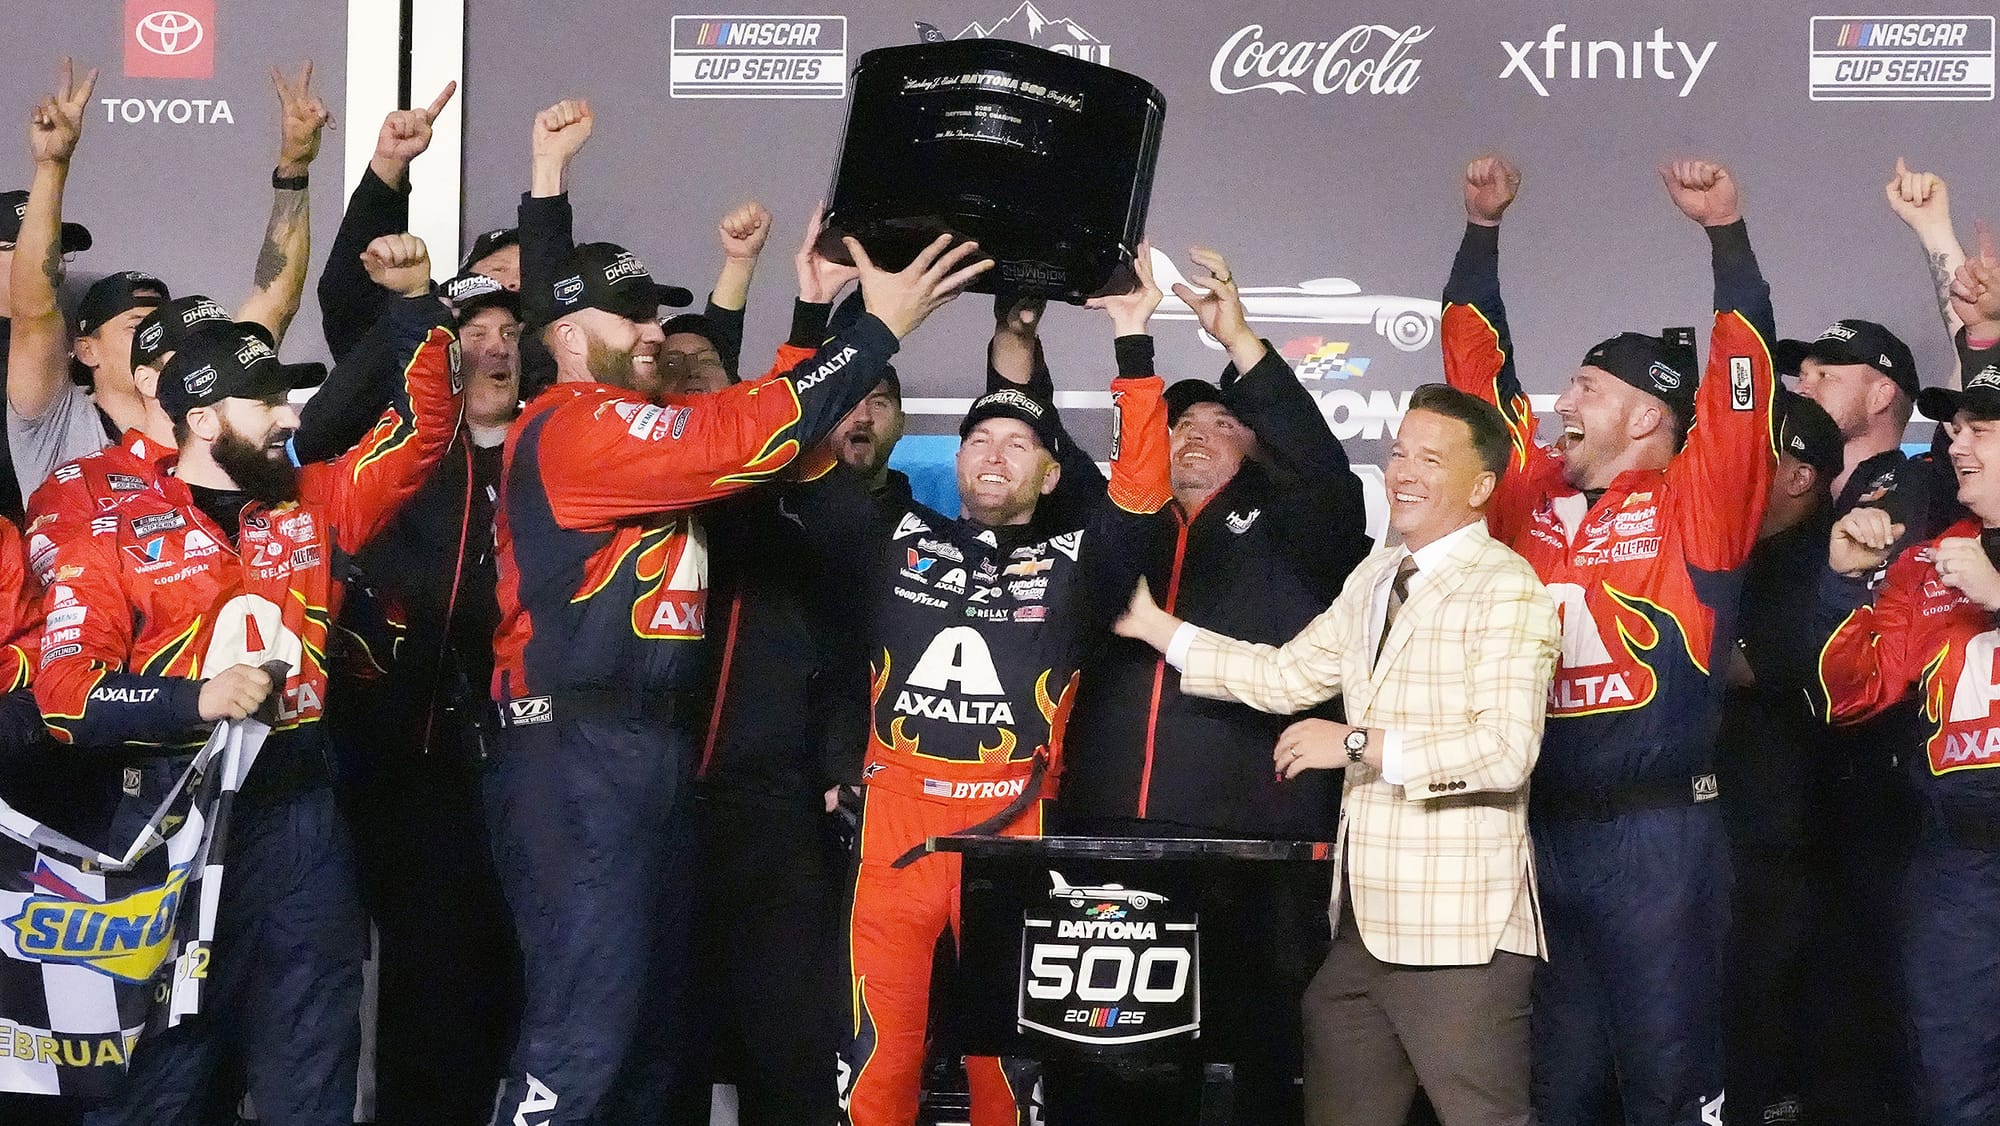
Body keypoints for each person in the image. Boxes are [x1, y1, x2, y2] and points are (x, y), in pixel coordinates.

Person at [484, 100, 990, 1121]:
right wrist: (876, 326)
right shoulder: (573, 427)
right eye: (633, 318)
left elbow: (753, 431)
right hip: (577, 748)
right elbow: (744, 441)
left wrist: (810, 314)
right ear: (573, 335)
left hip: (646, 751)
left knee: (650, 1040)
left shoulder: (633, 418)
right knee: (584, 1032)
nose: (654, 335)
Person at [30, 234, 459, 1126]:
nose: (286, 415)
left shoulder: (315, 503)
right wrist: (194, 699)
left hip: (300, 808)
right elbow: (63, 692)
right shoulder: (109, 526)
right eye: (263, 402)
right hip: (162, 821)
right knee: (159, 1082)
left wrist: (419, 306)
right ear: (203, 419)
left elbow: (423, 433)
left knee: (313, 1069)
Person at [1115, 381, 1557, 1126]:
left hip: (1459, 937)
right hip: (1360, 931)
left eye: (1430, 459)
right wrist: (1159, 628)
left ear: (1482, 486)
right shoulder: (1377, 574)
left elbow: (1506, 752)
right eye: (1397, 453)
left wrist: (1355, 742)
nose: (1403, 472)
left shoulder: (1506, 588)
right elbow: (1288, 675)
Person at [1441, 153, 1778, 1126]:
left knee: (1669, 1084)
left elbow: (1744, 387)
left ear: (1645, 412)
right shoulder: (1526, 498)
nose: (1562, 403)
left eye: (1584, 387)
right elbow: (1474, 380)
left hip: (1657, 838)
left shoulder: (1694, 508)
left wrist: (1726, 238)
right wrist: (1480, 232)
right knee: (1557, 1084)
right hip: (1537, 828)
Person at [669, 206, 886, 1126]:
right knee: (656, 1042)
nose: (685, 381)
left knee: (786, 1051)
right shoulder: (617, 501)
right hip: (651, 803)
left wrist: (805, 317)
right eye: (666, 370)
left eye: (707, 371)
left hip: (775, 815)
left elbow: (857, 603)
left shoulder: (796, 497)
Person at [318, 267, 523, 1126]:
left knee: (506, 978)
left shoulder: (556, 446)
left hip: (518, 766)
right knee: (412, 982)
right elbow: (339, 368)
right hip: (397, 759)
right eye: (475, 330)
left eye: (513, 332)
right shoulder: (397, 451)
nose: (497, 345)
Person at [1816, 240, 2000, 1126]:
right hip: (1956, 864)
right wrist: (1844, 582)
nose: (1958, 443)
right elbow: (1847, 695)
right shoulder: (1930, 561)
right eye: (1955, 427)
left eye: (1981, 428)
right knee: (1949, 1090)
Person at [7, 59, 328, 501]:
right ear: (87, 349)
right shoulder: (56, 420)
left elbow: (273, 299)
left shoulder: (211, 411)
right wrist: (51, 167)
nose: (188, 353)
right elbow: (34, 313)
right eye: (137, 325)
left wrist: (294, 170)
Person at [1712, 391, 1844, 1126]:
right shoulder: (1727, 550)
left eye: (1752, 450)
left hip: (1786, 838)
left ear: (1799, 475)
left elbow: (1749, 664)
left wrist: (1652, 639)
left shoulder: (1830, 556)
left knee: (1763, 1018)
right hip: (1715, 827)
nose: (1729, 463)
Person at [0, 186, 91, 523]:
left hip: (78, 541)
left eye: (59, 251)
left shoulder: (86, 345)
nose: (56, 264)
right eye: (31, 249)